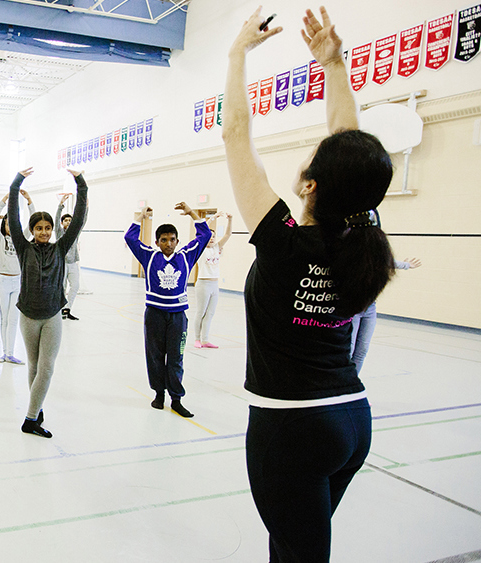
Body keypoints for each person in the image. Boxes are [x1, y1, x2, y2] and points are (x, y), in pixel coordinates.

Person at [223, 8, 397, 561]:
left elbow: (235, 135)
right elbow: (349, 142)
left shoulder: (283, 243)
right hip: (351, 420)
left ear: (312, 183)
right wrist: (334, 65)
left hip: (291, 429)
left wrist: (236, 55)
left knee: (300, 552)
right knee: (295, 545)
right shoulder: (362, 233)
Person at [8, 167, 87, 438]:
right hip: (28, 315)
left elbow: (78, 219)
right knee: (33, 366)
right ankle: (36, 409)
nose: (43, 232)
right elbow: (13, 218)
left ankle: (30, 418)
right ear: (32, 230)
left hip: (52, 314)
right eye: (39, 228)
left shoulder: (60, 247)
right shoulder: (23, 247)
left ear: (52, 230)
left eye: (47, 228)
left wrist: (80, 183)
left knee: (47, 367)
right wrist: (17, 182)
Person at [125, 203, 211, 418]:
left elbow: (205, 234)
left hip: (177, 317)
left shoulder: (186, 256)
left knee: (176, 357)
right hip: (154, 314)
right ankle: (159, 394)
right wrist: (140, 218)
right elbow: (130, 238)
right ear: (157, 242)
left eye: (172, 239)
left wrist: (192, 213)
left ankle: (176, 399)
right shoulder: (149, 256)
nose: (168, 243)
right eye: (163, 240)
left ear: (177, 241)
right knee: (155, 356)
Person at [350, 257, 422, 373]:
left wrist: (407, 265)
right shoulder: (356, 261)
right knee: (350, 348)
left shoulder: (378, 260)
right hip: (354, 308)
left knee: (362, 349)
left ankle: (353, 378)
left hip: (370, 308)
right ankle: (342, 379)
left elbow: (389, 262)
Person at [0, 190, 37, 364]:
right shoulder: (0, 239)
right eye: (8, 224)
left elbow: (33, 223)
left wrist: (29, 201)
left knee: (14, 318)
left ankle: (10, 353)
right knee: (4, 319)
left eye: (14, 224)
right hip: (2, 281)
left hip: (17, 282)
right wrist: (4, 200)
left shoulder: (22, 239)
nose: (11, 227)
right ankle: (5, 352)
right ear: (5, 226)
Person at [193, 212, 233, 349]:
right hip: (203, 284)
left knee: (210, 313)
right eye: (210, 236)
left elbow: (227, 235)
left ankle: (205, 339)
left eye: (214, 236)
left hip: (214, 285)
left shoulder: (217, 247)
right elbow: (200, 234)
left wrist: (230, 219)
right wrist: (211, 219)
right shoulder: (201, 249)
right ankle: (197, 339)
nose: (212, 238)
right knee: (201, 312)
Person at [55, 194, 83, 321]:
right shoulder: (60, 233)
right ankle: (60, 310)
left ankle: (67, 309)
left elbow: (82, 221)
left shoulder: (75, 233)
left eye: (70, 220)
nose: (68, 222)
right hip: (61, 263)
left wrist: (85, 207)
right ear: (62, 223)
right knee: (62, 287)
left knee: (75, 285)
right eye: (66, 220)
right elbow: (56, 221)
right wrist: (61, 205)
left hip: (73, 263)